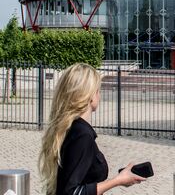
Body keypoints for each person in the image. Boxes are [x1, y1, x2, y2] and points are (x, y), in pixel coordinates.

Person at [39, 63, 145, 195]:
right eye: (97, 91)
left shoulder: (65, 127)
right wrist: (117, 180)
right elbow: (71, 192)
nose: (99, 96)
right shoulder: (82, 135)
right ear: (89, 95)